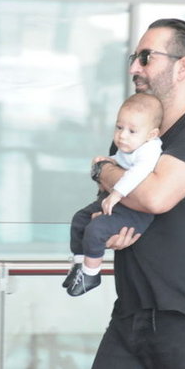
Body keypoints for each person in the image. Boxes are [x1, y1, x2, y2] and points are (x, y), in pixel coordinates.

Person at [90, 18, 185, 369]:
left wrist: (101, 169)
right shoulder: (132, 135)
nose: (134, 68)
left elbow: (154, 197)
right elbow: (108, 203)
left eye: (145, 57)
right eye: (134, 58)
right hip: (131, 312)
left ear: (182, 67)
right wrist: (108, 205)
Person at [63, 93, 164, 297]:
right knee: (80, 219)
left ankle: (91, 275)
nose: (122, 135)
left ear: (151, 134)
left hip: (135, 212)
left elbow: (137, 173)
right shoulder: (131, 145)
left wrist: (115, 193)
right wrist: (109, 161)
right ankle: (80, 264)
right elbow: (121, 162)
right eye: (119, 127)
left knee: (96, 229)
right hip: (118, 204)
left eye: (131, 131)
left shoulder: (150, 150)